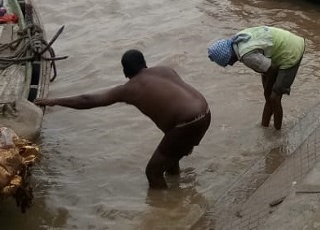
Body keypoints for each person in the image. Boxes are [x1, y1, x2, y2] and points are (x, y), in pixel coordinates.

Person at [35, 50, 210, 189]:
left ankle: (170, 213)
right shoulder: (165, 70)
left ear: (125, 71)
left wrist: (54, 101)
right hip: (205, 112)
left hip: (186, 123)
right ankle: (177, 188)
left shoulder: (129, 89)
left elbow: (88, 100)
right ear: (144, 63)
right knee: (171, 155)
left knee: (152, 172)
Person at [208, 27, 305, 131]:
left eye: (228, 62)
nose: (231, 65)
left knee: (274, 97)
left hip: (291, 50)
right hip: (285, 43)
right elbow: (265, 65)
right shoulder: (239, 39)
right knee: (268, 96)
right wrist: (267, 89)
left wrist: (268, 89)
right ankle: (265, 127)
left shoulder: (246, 56)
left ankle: (278, 133)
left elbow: (272, 69)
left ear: (229, 57)